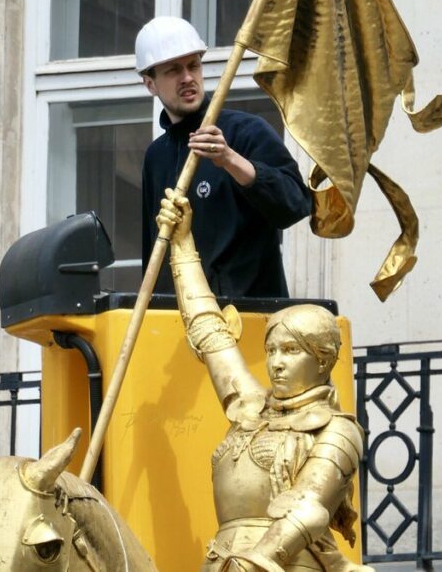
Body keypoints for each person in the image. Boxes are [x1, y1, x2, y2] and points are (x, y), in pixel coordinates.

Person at [157, 190, 373, 572]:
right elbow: (209, 331)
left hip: (289, 563)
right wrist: (183, 243)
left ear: (322, 359)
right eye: (272, 350)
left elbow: (307, 507)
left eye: (291, 351)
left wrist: (258, 560)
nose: (275, 363)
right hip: (222, 562)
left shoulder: (337, 431)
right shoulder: (251, 407)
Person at [136, 16, 312, 297]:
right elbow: (153, 256)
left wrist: (231, 160)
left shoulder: (246, 131)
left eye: (193, 65)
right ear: (150, 84)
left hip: (250, 319)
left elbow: (295, 205)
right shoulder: (156, 158)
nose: (187, 78)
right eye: (173, 71)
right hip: (180, 325)